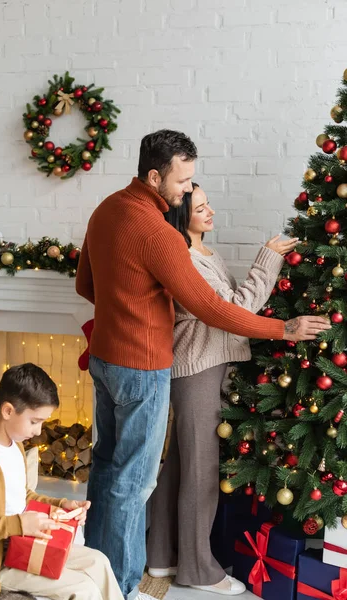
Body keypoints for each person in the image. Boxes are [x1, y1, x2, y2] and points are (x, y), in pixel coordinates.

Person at [75, 129, 330, 600]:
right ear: (154, 176)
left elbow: (85, 286)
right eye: (182, 181)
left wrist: (129, 304)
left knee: (107, 469)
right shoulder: (159, 234)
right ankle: (126, 585)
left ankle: (93, 569)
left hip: (106, 359)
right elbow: (212, 310)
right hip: (143, 365)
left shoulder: (106, 208)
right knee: (135, 481)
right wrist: (283, 329)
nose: (188, 191)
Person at [146, 183, 294, 594]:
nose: (210, 211)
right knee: (200, 474)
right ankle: (197, 569)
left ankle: (159, 557)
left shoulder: (205, 252)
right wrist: (268, 260)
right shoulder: (183, 258)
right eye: (199, 208)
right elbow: (233, 310)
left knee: (179, 464)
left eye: (208, 203)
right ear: (180, 215)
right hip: (197, 371)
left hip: (211, 367)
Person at [0, 363, 124, 600]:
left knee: (99, 561)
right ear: (8, 411)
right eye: (34, 421)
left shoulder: (15, 445)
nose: (40, 431)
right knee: (84, 588)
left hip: (23, 543)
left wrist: (61, 505)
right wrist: (19, 524)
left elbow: (22, 496)